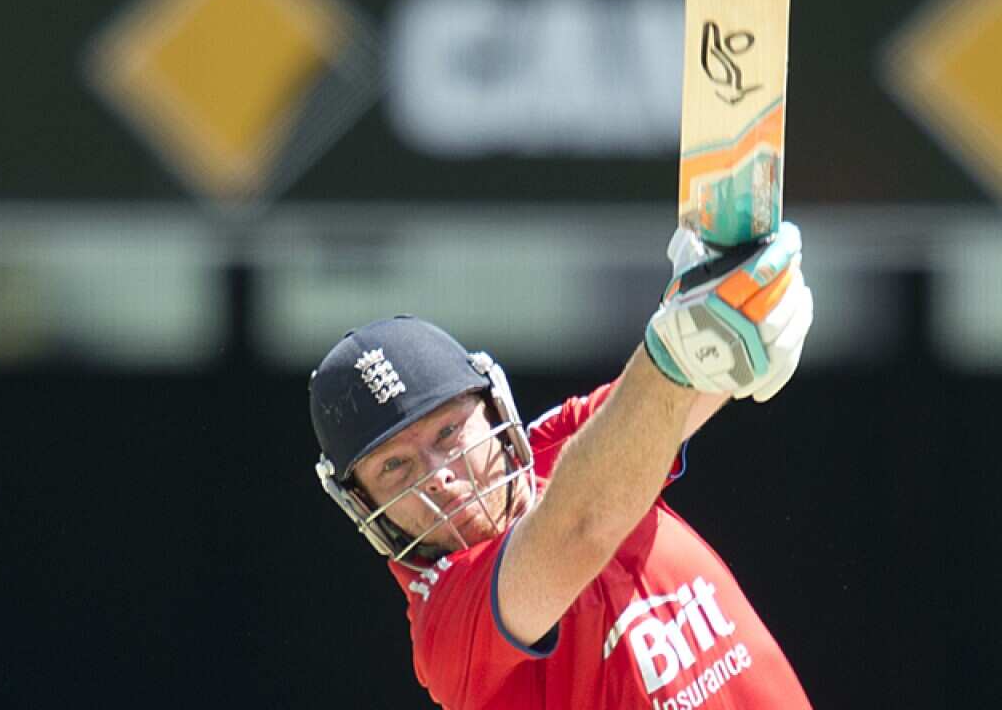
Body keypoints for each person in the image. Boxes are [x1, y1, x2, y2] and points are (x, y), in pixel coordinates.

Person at [308, 224, 815, 709]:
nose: (438, 474)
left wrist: (747, 303)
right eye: (395, 466)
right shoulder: (446, 628)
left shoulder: (567, 446)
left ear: (496, 414)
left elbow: (692, 382)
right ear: (363, 502)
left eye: (448, 431)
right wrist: (683, 351)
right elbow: (579, 528)